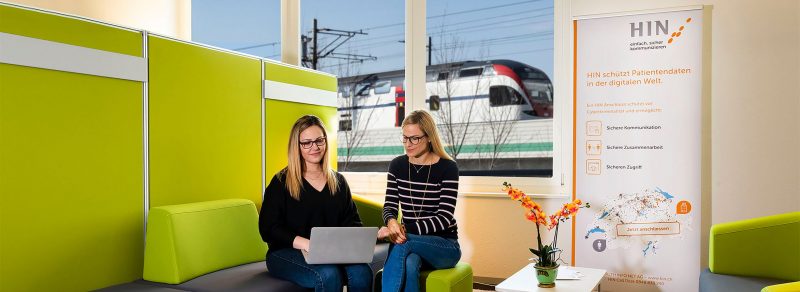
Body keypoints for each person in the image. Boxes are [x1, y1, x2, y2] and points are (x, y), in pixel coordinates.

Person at [258, 115, 374, 292]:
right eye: (307, 143)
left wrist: (358, 241)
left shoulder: (339, 182)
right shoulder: (281, 181)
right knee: (328, 274)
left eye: (319, 140)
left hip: (330, 251)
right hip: (284, 253)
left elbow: (352, 222)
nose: (315, 147)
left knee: (362, 272)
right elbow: (268, 228)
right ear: (297, 146)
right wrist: (306, 244)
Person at [381, 110, 461, 292]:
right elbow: (389, 206)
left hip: (444, 246)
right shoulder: (397, 166)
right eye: (405, 138)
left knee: (403, 242)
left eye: (414, 138)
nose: (408, 144)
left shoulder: (448, 168)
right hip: (410, 242)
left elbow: (444, 218)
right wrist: (391, 221)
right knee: (409, 263)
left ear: (429, 137)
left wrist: (404, 229)